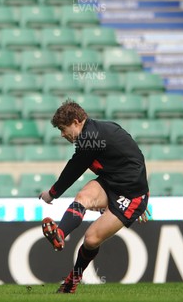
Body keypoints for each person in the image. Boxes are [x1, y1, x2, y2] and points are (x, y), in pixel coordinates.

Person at [39, 99, 150, 293]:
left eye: (63, 129)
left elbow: (75, 168)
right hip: (112, 181)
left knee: (91, 240)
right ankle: (60, 234)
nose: (63, 134)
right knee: (83, 197)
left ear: (76, 121)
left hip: (130, 194)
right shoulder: (94, 132)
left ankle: (73, 279)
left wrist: (52, 193)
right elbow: (133, 155)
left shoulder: (91, 137)